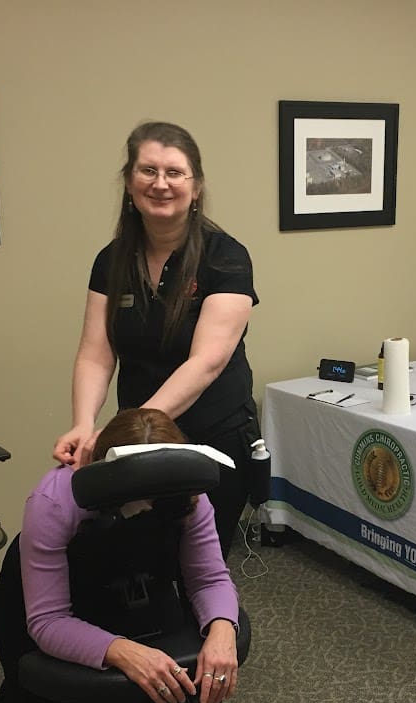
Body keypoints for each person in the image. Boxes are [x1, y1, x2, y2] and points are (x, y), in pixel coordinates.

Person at [0, 407, 240, 703]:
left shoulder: (187, 493)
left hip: (140, 586)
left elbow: (208, 578)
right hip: (69, 596)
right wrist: (121, 651)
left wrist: (222, 629)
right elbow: (48, 620)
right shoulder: (54, 503)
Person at [53, 121, 260, 558]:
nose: (161, 184)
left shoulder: (226, 257)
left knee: (201, 565)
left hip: (213, 439)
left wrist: (127, 430)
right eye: (148, 171)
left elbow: (207, 362)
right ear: (129, 183)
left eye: (174, 173)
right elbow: (95, 352)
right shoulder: (111, 261)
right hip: (138, 443)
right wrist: (84, 424)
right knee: (142, 558)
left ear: (196, 186)